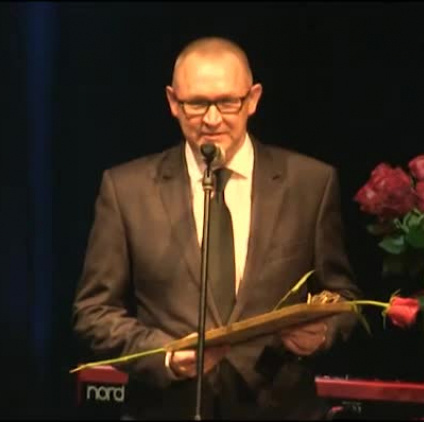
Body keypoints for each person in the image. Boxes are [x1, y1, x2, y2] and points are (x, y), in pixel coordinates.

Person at [72, 36, 361, 420]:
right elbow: (94, 312)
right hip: (169, 408)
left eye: (227, 102)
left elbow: (345, 298)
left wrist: (323, 333)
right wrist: (164, 356)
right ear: (173, 102)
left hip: (278, 408)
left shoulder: (310, 184)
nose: (211, 120)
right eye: (196, 104)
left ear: (253, 99)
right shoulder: (127, 190)